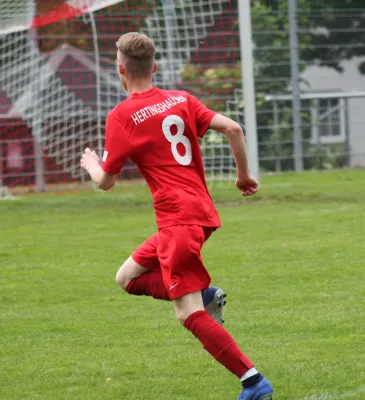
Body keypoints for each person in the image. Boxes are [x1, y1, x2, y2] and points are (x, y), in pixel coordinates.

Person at [80, 32, 273, 400]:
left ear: (120, 70)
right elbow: (233, 127)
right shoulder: (181, 99)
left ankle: (253, 381)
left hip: (177, 222)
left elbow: (106, 181)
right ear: (154, 67)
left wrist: (92, 163)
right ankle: (205, 294)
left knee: (189, 315)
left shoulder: (121, 116)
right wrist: (244, 175)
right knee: (127, 277)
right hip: (201, 215)